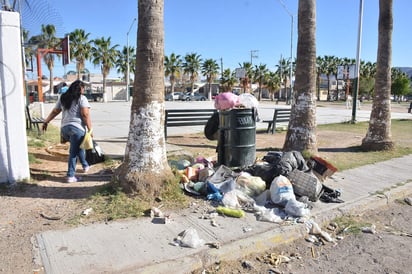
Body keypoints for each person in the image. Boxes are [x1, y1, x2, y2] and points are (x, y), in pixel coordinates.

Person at [42, 80, 93, 183]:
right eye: (83, 88)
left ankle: (85, 165)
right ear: (80, 89)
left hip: (65, 129)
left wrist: (46, 121)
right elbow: (85, 114)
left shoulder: (63, 97)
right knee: (73, 152)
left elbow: (55, 111)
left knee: (78, 147)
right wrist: (90, 129)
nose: (84, 90)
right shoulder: (82, 98)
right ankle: (70, 176)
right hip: (77, 129)